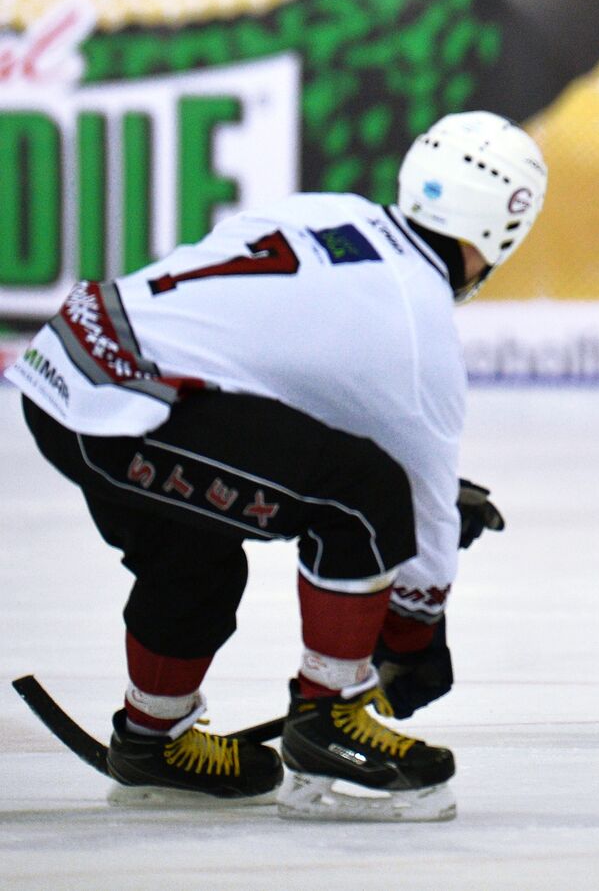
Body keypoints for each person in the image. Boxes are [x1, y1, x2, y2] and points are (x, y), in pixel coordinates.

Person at [6, 112, 546, 818]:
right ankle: (330, 719)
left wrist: (424, 495)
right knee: (363, 497)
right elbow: (418, 515)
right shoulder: (420, 328)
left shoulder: (328, 212)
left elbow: (265, 357)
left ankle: (153, 739)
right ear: (503, 232)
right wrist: (415, 641)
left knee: (196, 558)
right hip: (119, 409)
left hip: (78, 366)